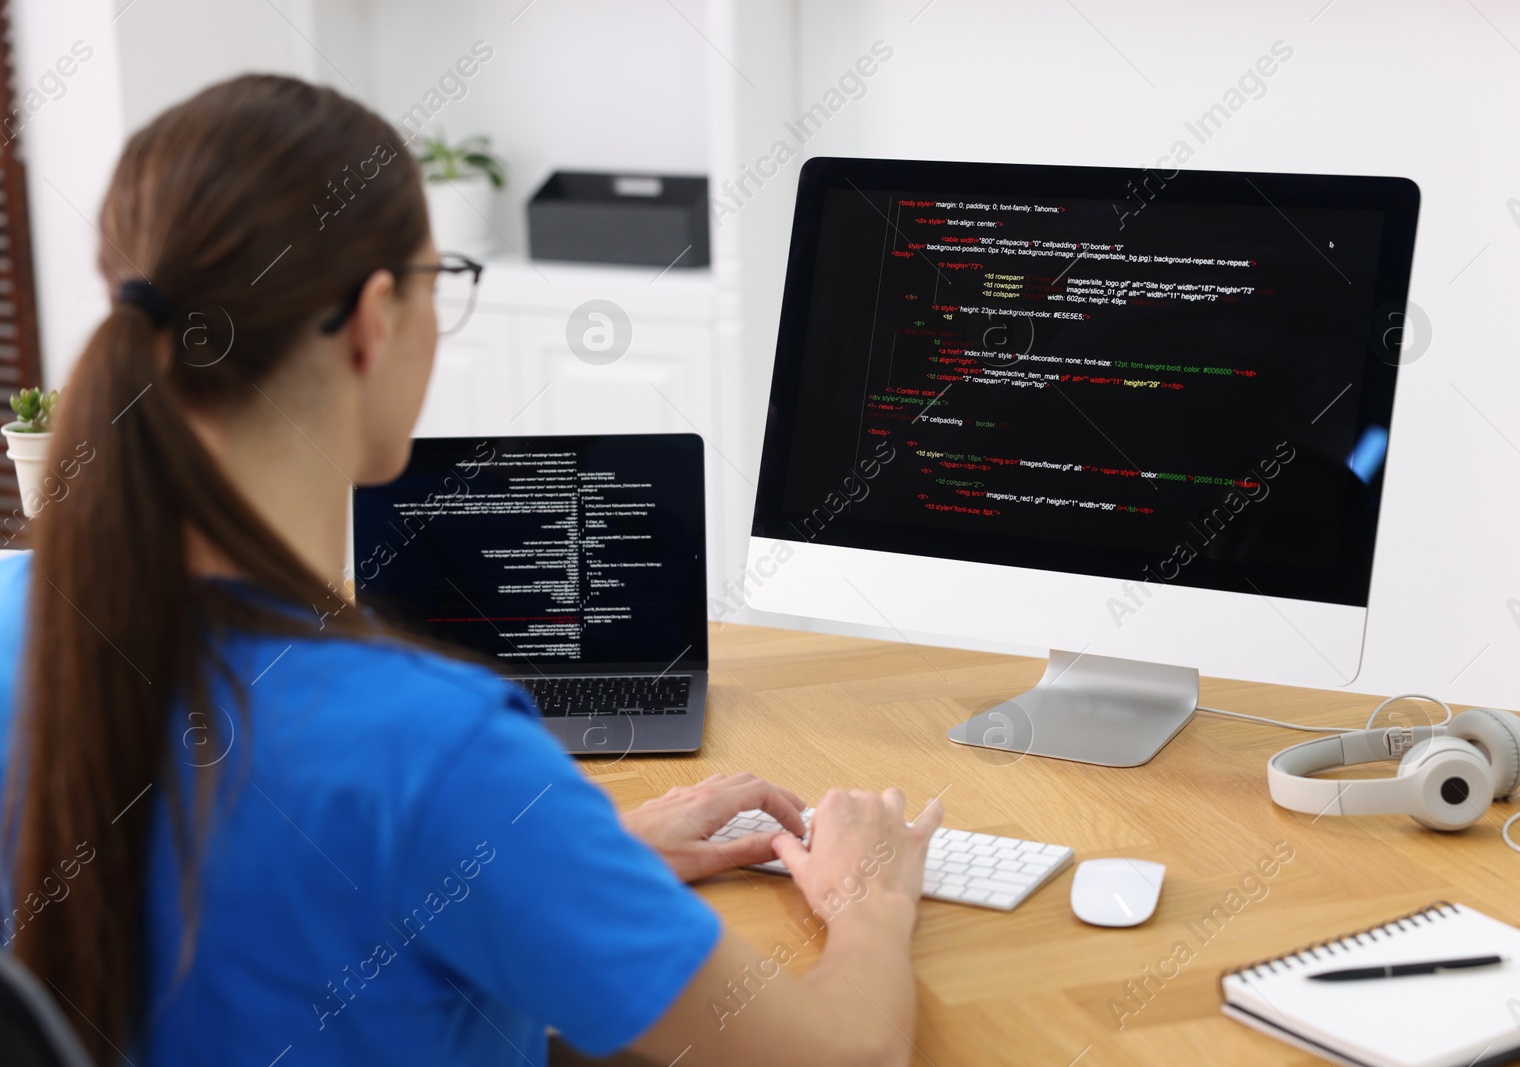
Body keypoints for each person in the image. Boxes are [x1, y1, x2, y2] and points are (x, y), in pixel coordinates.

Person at [0, 74, 941, 1067]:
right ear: (374, 319)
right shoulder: (434, 750)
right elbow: (841, 1054)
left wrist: (568, 861)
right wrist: (867, 897)